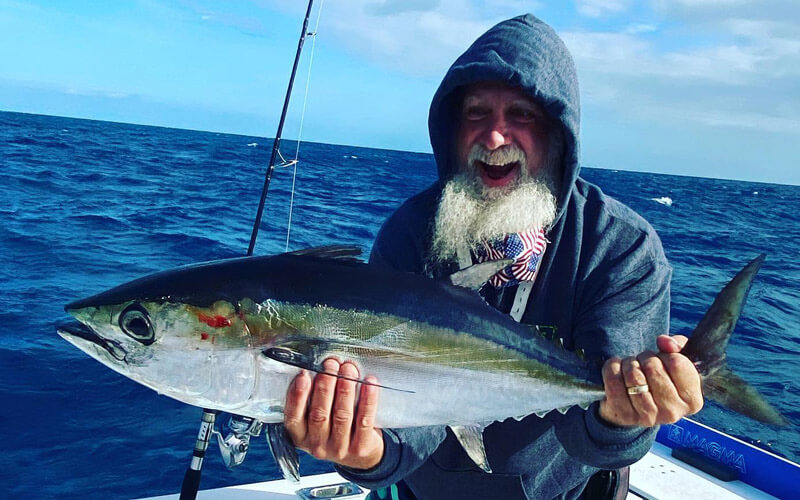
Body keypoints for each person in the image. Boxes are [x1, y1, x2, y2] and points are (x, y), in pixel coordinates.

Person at [282, 14, 703, 499]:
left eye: (522, 115)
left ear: (558, 134)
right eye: (476, 114)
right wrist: (370, 453)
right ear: (451, 130)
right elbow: (403, 402)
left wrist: (621, 416)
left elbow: (596, 435)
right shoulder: (410, 233)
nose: (495, 137)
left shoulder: (619, 246)